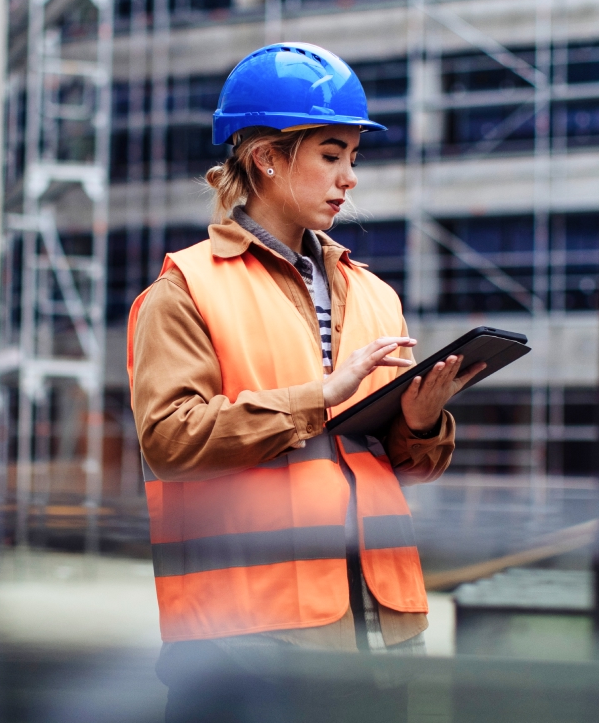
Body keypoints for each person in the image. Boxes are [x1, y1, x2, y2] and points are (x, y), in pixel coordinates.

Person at [126, 43, 485, 722]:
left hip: (377, 638)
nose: (349, 177)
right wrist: (315, 398)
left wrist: (420, 422)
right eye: (330, 154)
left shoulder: (375, 294)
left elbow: (399, 467)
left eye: (354, 156)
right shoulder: (187, 290)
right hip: (247, 644)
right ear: (266, 157)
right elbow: (168, 441)